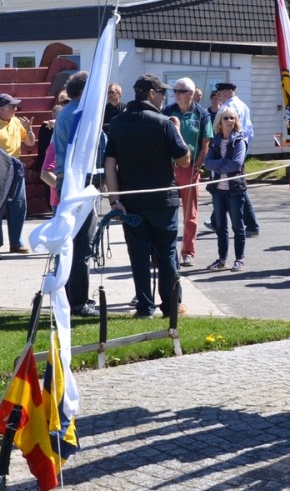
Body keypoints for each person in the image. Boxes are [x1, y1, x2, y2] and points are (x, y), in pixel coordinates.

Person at [104, 74, 190, 317]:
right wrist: (178, 131)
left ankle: (145, 307)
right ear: (152, 93)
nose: (164, 97)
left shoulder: (117, 123)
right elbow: (184, 160)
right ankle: (171, 305)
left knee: (139, 256)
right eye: (162, 93)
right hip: (162, 200)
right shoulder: (164, 123)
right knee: (166, 253)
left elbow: (110, 165)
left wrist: (115, 200)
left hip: (131, 200)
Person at [51, 72, 100, 315]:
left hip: (72, 180)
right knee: (81, 244)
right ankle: (77, 302)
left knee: (73, 242)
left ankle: (71, 297)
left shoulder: (68, 112)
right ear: (84, 91)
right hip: (77, 182)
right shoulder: (77, 114)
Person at [163, 77, 212, 267]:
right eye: (174, 90)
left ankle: (188, 252)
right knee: (166, 211)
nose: (176, 94)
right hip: (169, 168)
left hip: (190, 169)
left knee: (190, 214)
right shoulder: (167, 111)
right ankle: (166, 252)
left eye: (181, 91)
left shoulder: (202, 114)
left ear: (191, 94)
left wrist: (197, 167)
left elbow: (206, 145)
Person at [204, 106, 249, 273]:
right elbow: (207, 163)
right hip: (218, 190)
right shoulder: (215, 141)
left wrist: (219, 165)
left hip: (235, 189)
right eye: (226, 118)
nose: (230, 121)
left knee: (237, 226)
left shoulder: (239, 140)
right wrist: (223, 163)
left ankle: (239, 259)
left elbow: (237, 163)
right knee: (220, 226)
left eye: (232, 118)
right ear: (219, 122)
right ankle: (222, 259)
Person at [0, 93, 34, 253]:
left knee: (19, 205)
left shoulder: (16, 121)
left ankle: (16, 243)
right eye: (12, 106)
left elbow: (29, 142)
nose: (16, 109)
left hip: (16, 168)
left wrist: (29, 130)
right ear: (0, 109)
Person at [215, 82, 259, 235]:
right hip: (240, 147)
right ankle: (217, 220)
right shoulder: (243, 105)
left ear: (228, 92)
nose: (218, 96)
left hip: (230, 148)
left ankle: (251, 225)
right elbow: (250, 132)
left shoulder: (229, 107)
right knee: (234, 185)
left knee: (233, 186)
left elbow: (225, 129)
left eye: (220, 93)